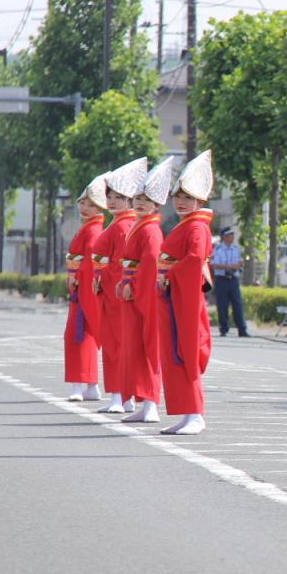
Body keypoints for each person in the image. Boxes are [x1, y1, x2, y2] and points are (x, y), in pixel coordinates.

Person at [157, 150, 215, 435]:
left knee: (185, 351)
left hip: (184, 299)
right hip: (173, 296)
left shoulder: (197, 228)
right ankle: (185, 411)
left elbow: (193, 261)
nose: (181, 201)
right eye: (178, 196)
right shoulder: (186, 225)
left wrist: (169, 273)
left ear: (200, 200)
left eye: (188, 197)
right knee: (174, 353)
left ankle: (195, 413)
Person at [118, 157, 173, 423]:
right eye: (137, 197)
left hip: (145, 297)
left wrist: (134, 287)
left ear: (157, 205)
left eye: (147, 199)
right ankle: (143, 402)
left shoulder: (150, 230)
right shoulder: (139, 226)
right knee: (135, 348)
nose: (140, 202)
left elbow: (150, 264)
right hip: (133, 293)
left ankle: (151, 403)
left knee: (148, 347)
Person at [91, 157, 147, 413]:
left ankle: (121, 396)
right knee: (115, 345)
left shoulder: (124, 226)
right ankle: (121, 395)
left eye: (118, 197)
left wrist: (103, 274)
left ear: (129, 200)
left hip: (116, 294)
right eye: (109, 196)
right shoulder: (120, 224)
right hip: (109, 292)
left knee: (118, 346)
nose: (112, 201)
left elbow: (124, 262)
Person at [64, 173, 108, 402]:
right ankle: (90, 384)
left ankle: (79, 384)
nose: (85, 207)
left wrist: (77, 277)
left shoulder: (93, 231)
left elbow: (90, 261)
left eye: (92, 204)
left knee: (78, 335)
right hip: (80, 290)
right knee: (84, 335)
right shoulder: (89, 228)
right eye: (83, 202)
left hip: (83, 291)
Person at [211, 227, 250, 337]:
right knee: (222, 305)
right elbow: (214, 264)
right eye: (229, 235)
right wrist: (229, 266)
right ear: (224, 237)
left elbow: (240, 262)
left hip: (233, 279)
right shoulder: (218, 249)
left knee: (238, 305)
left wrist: (239, 265)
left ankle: (242, 329)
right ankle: (223, 329)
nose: (231, 237)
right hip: (222, 280)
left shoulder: (236, 249)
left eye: (232, 235)